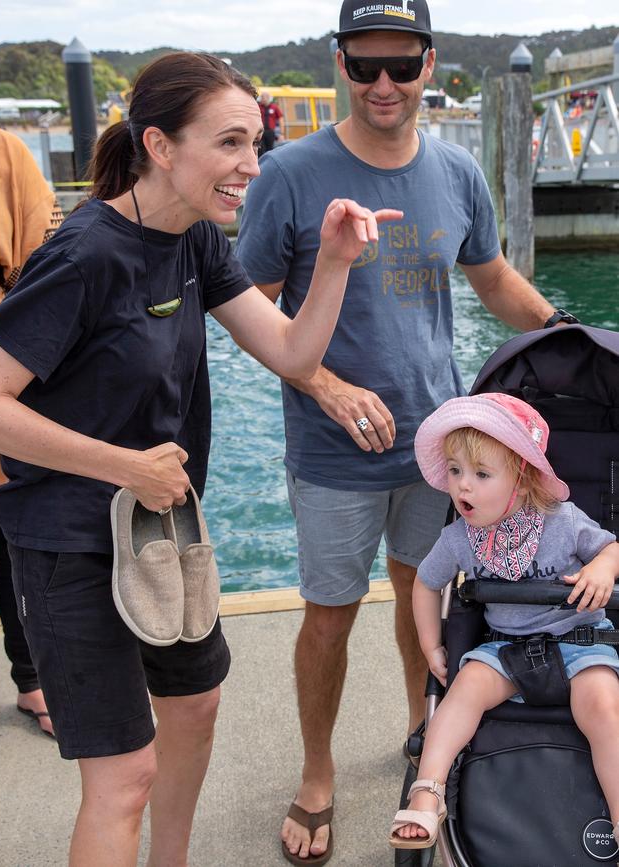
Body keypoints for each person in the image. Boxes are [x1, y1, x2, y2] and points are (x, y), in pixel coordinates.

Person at [0, 52, 399, 867]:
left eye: (257, 141)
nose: (251, 164)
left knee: (196, 708)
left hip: (165, 528)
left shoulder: (196, 240)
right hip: (68, 541)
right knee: (123, 775)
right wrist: (124, 464)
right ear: (160, 146)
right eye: (230, 143)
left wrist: (335, 264)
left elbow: (291, 350)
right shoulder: (86, 254)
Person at [235, 0, 568, 861]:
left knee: (427, 597)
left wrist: (571, 338)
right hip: (331, 451)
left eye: (401, 64)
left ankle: (422, 731)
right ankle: (317, 773)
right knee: (328, 616)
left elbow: (493, 279)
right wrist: (326, 382)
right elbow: (245, 311)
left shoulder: (458, 171)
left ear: (429, 63)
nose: (383, 83)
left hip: (442, 447)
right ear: (339, 63)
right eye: (363, 64)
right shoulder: (290, 175)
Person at [390, 393, 619, 849]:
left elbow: (612, 548)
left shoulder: (564, 521)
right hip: (506, 647)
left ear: (520, 475)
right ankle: (427, 791)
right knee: (462, 693)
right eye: (454, 471)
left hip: (579, 641)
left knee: (603, 708)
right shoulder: (459, 538)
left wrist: (601, 568)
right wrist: (431, 645)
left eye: (480, 474)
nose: (462, 488)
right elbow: (425, 584)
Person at [0, 118, 62, 737]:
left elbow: (48, 263)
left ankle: (35, 680)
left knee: (20, 548)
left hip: (6, 359)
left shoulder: (0, 149)